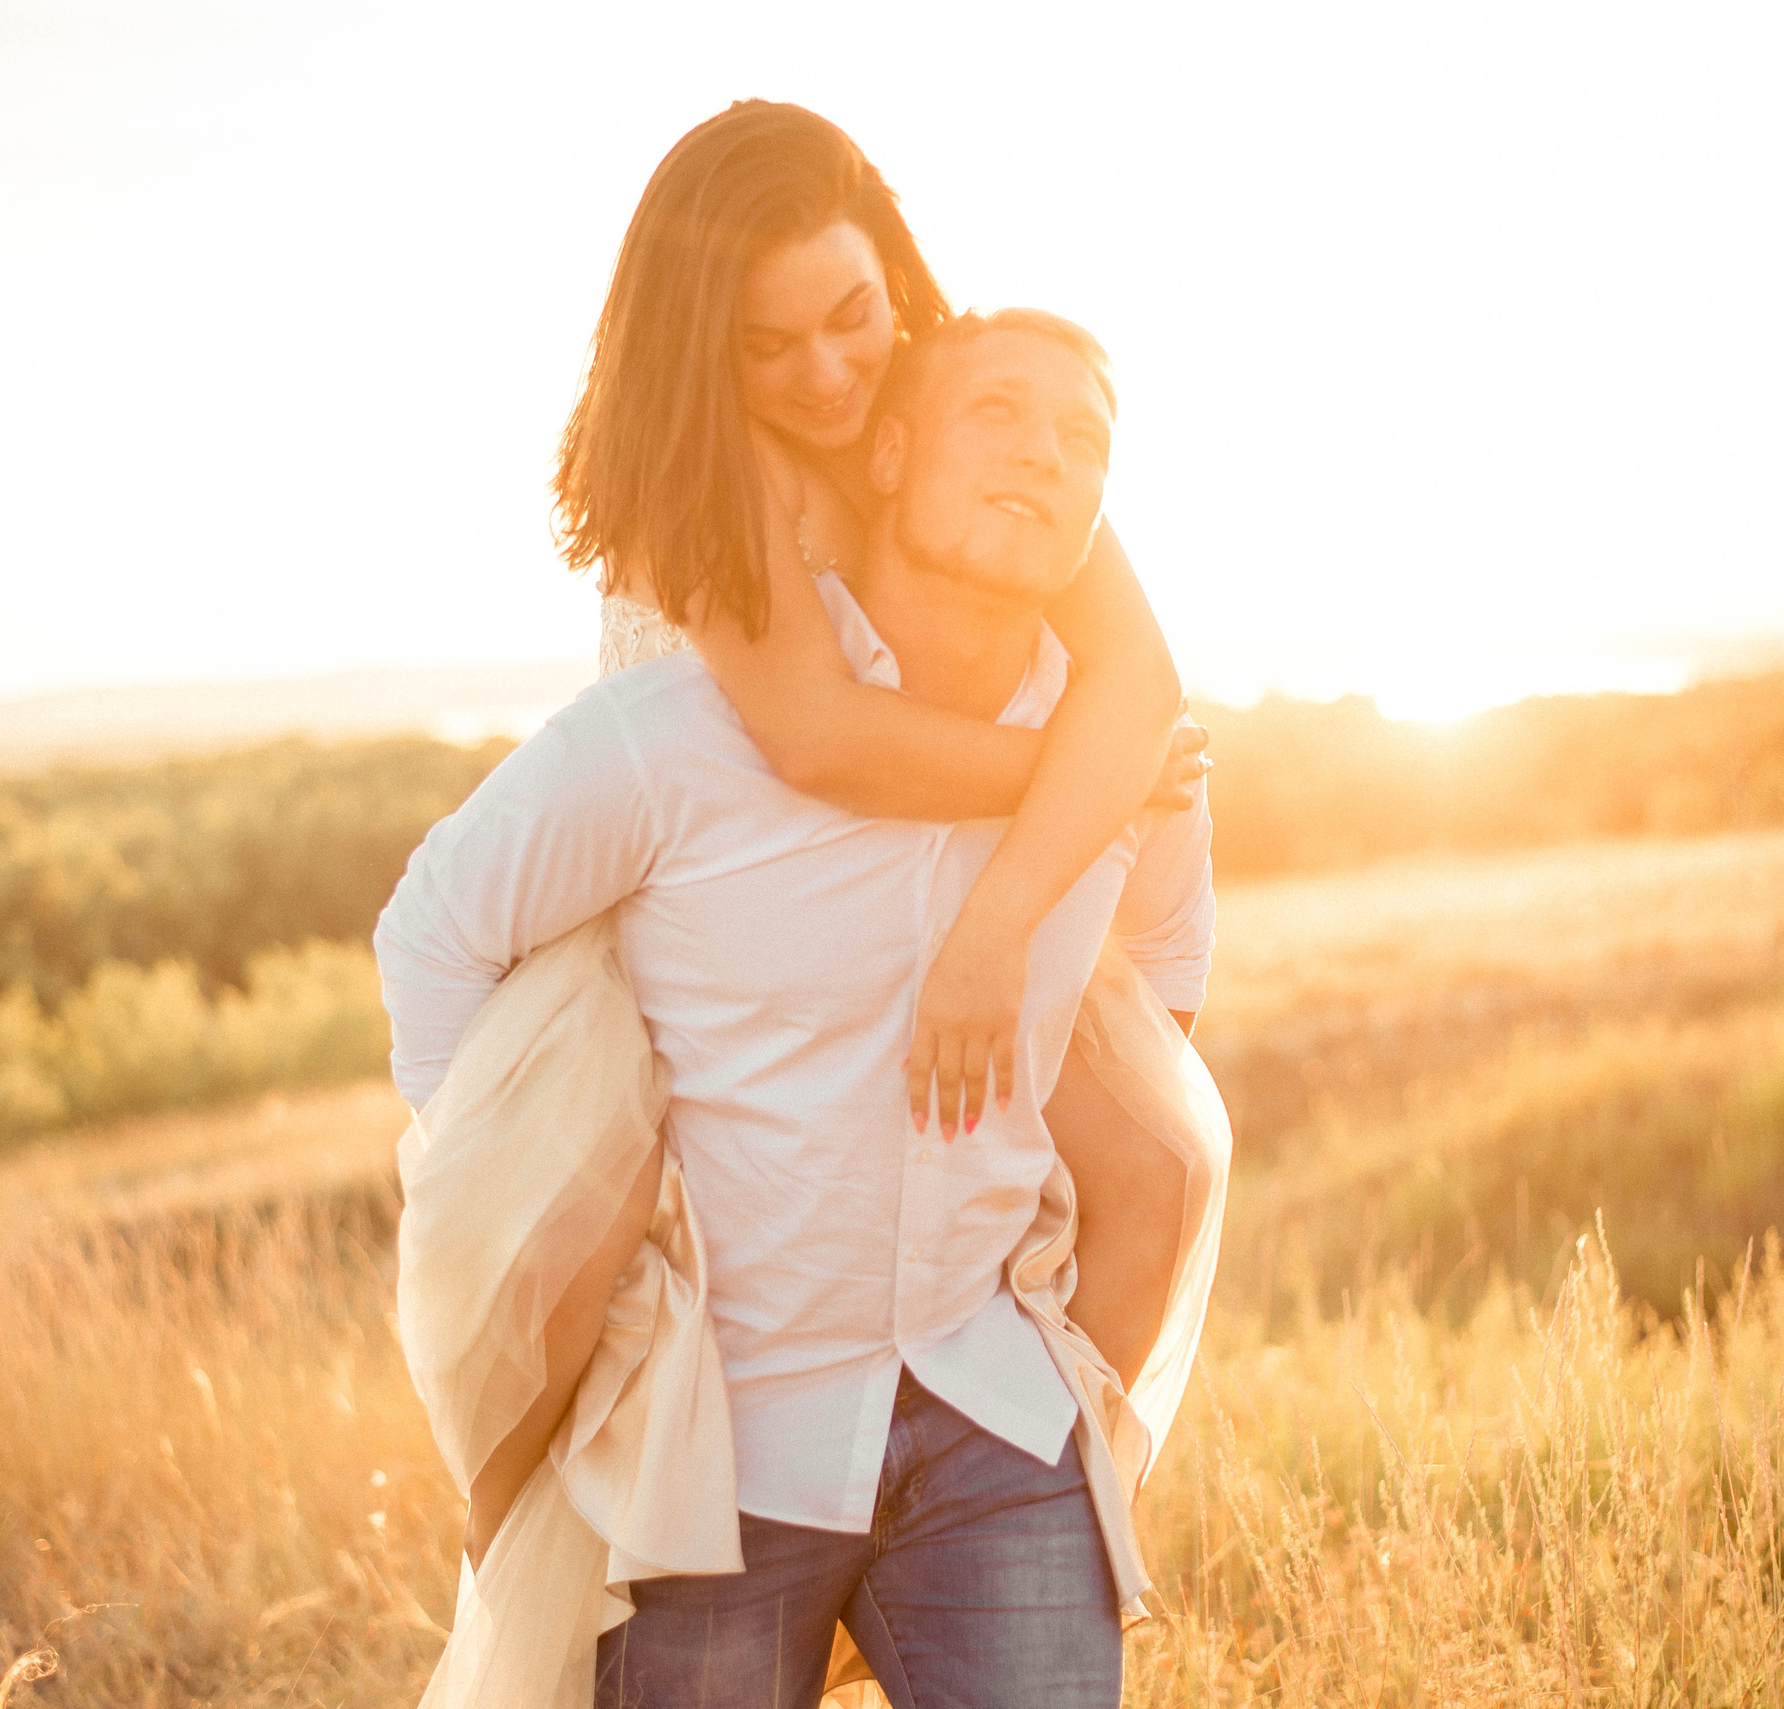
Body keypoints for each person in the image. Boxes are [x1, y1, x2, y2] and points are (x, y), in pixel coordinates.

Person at [380, 306, 1210, 1705]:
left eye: (1083, 438)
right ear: (883, 455)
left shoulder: (1123, 768)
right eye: (997, 413)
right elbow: (435, 930)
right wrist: (552, 1201)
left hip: (991, 1418)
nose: (1043, 454)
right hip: (716, 1457)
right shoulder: (680, 741)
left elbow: (1167, 976)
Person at [548, 95, 1211, 1508]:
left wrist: (1017, 897)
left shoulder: (978, 418)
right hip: (738, 901)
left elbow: (1138, 679)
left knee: (1153, 1169)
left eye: (854, 315)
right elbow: (820, 738)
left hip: (956, 867)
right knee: (685, 1308)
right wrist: (1095, 782)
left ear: (893, 277)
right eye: (769, 344)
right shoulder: (707, 474)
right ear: (701, 348)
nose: (831, 370)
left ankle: (1011, 1504)